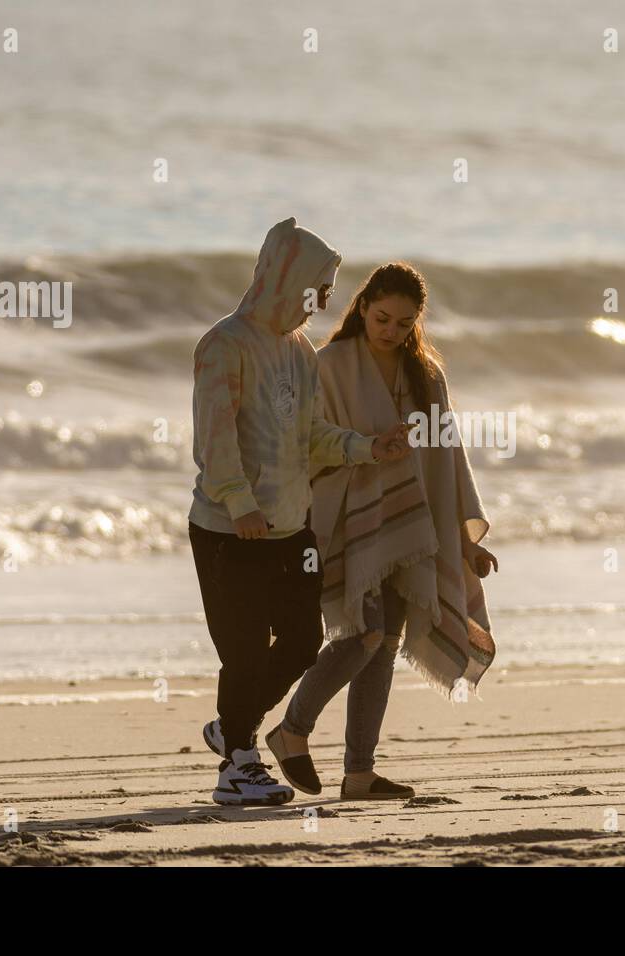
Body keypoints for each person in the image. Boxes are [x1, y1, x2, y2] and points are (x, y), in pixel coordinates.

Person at [187, 219, 408, 806]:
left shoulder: (298, 351)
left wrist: (366, 448)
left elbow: (311, 436)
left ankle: (232, 728)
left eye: (328, 289)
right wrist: (240, 505)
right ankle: (236, 766)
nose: (326, 302)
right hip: (229, 530)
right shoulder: (224, 344)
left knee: (302, 643)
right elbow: (215, 439)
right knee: (243, 650)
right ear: (285, 280)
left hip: (291, 528)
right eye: (319, 288)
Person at [263, 261, 498, 800]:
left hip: (414, 528)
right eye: (383, 317)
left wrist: (464, 544)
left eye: (403, 322)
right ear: (364, 306)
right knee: (362, 636)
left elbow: (448, 463)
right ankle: (291, 730)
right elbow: (305, 445)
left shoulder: (426, 374)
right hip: (344, 520)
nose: (390, 330)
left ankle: (359, 773)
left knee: (385, 642)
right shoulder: (329, 365)